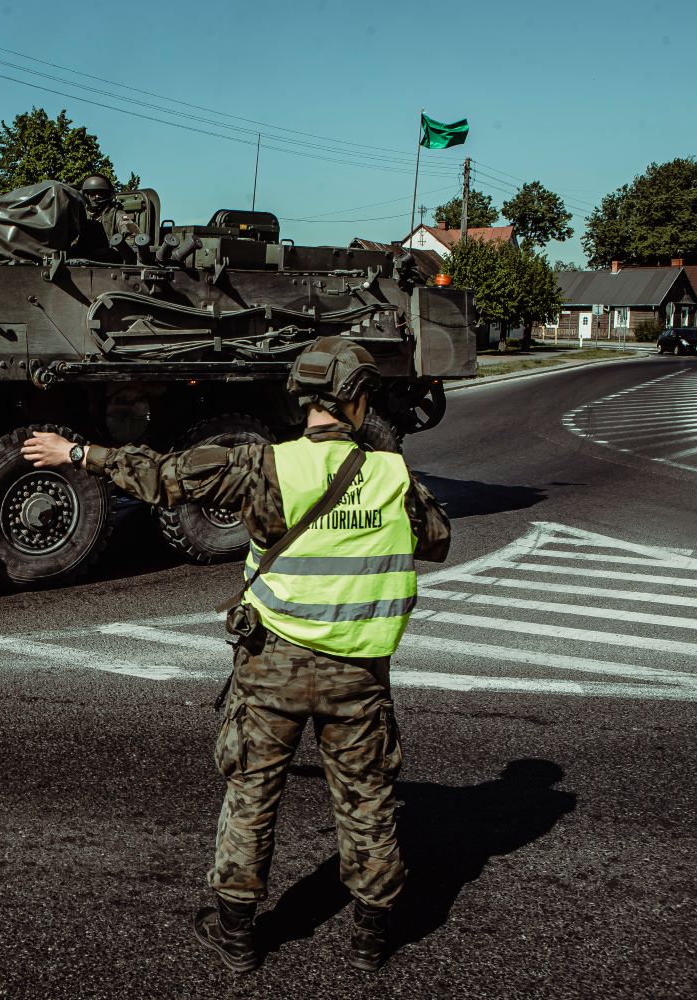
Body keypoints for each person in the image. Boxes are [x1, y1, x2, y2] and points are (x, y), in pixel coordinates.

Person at [22, 337, 441, 974]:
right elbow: (436, 540)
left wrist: (78, 452)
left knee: (252, 795)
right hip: (358, 675)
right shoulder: (393, 474)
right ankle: (369, 940)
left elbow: (162, 477)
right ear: (357, 401)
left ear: (303, 400)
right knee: (367, 800)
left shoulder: (262, 465)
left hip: (272, 665)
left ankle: (238, 936)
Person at [73, 174, 134, 258]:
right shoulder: (79, 214)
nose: (97, 196)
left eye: (101, 193)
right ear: (86, 195)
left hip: (108, 263)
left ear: (108, 194)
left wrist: (115, 250)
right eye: (92, 193)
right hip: (80, 262)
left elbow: (132, 237)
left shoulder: (117, 214)